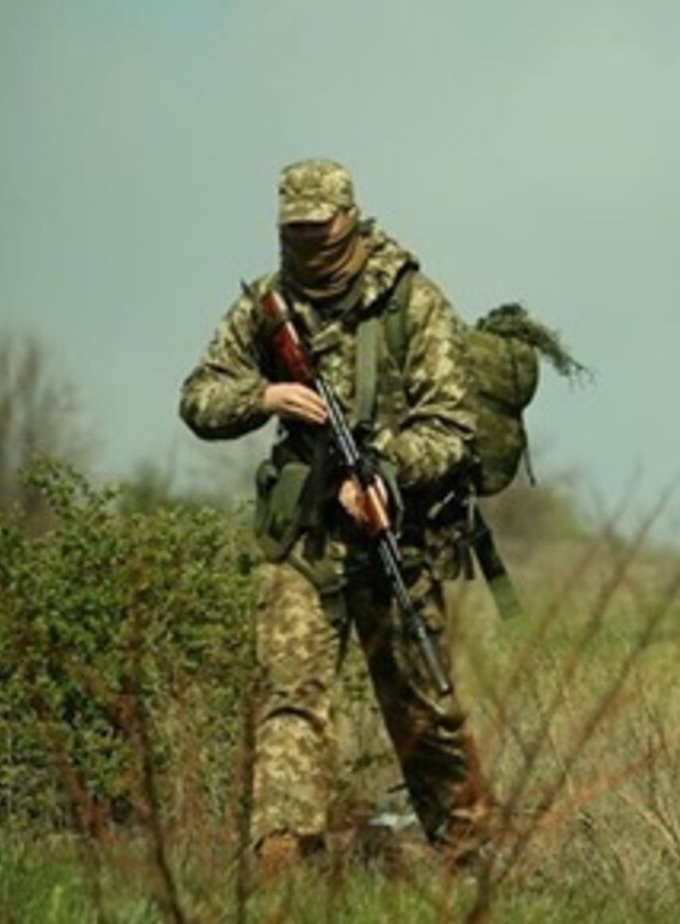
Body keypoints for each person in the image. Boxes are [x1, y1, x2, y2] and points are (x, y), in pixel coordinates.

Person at [179, 158, 491, 870]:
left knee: (424, 708)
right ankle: (284, 859)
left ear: (350, 219)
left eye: (321, 229)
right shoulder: (268, 302)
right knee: (290, 696)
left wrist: (386, 470)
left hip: (394, 534)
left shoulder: (412, 302)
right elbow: (198, 396)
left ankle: (471, 860)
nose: (310, 244)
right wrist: (263, 398)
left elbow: (451, 425)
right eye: (296, 232)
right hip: (304, 538)